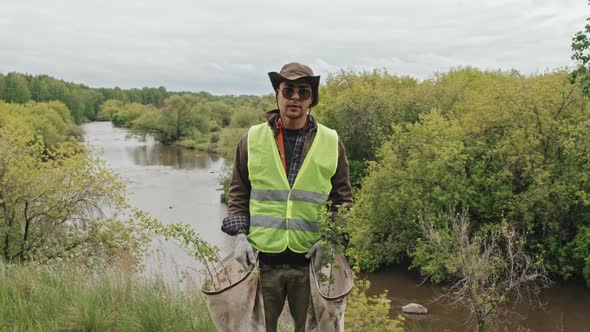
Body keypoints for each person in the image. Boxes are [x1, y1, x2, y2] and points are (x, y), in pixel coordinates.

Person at [221, 62, 353, 332]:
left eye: (303, 92)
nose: (295, 97)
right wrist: (239, 236)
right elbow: (238, 192)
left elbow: (343, 199)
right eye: (288, 90)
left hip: (309, 263)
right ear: (277, 94)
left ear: (311, 100)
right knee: (257, 328)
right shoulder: (251, 139)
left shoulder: (331, 141)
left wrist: (331, 239)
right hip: (262, 261)